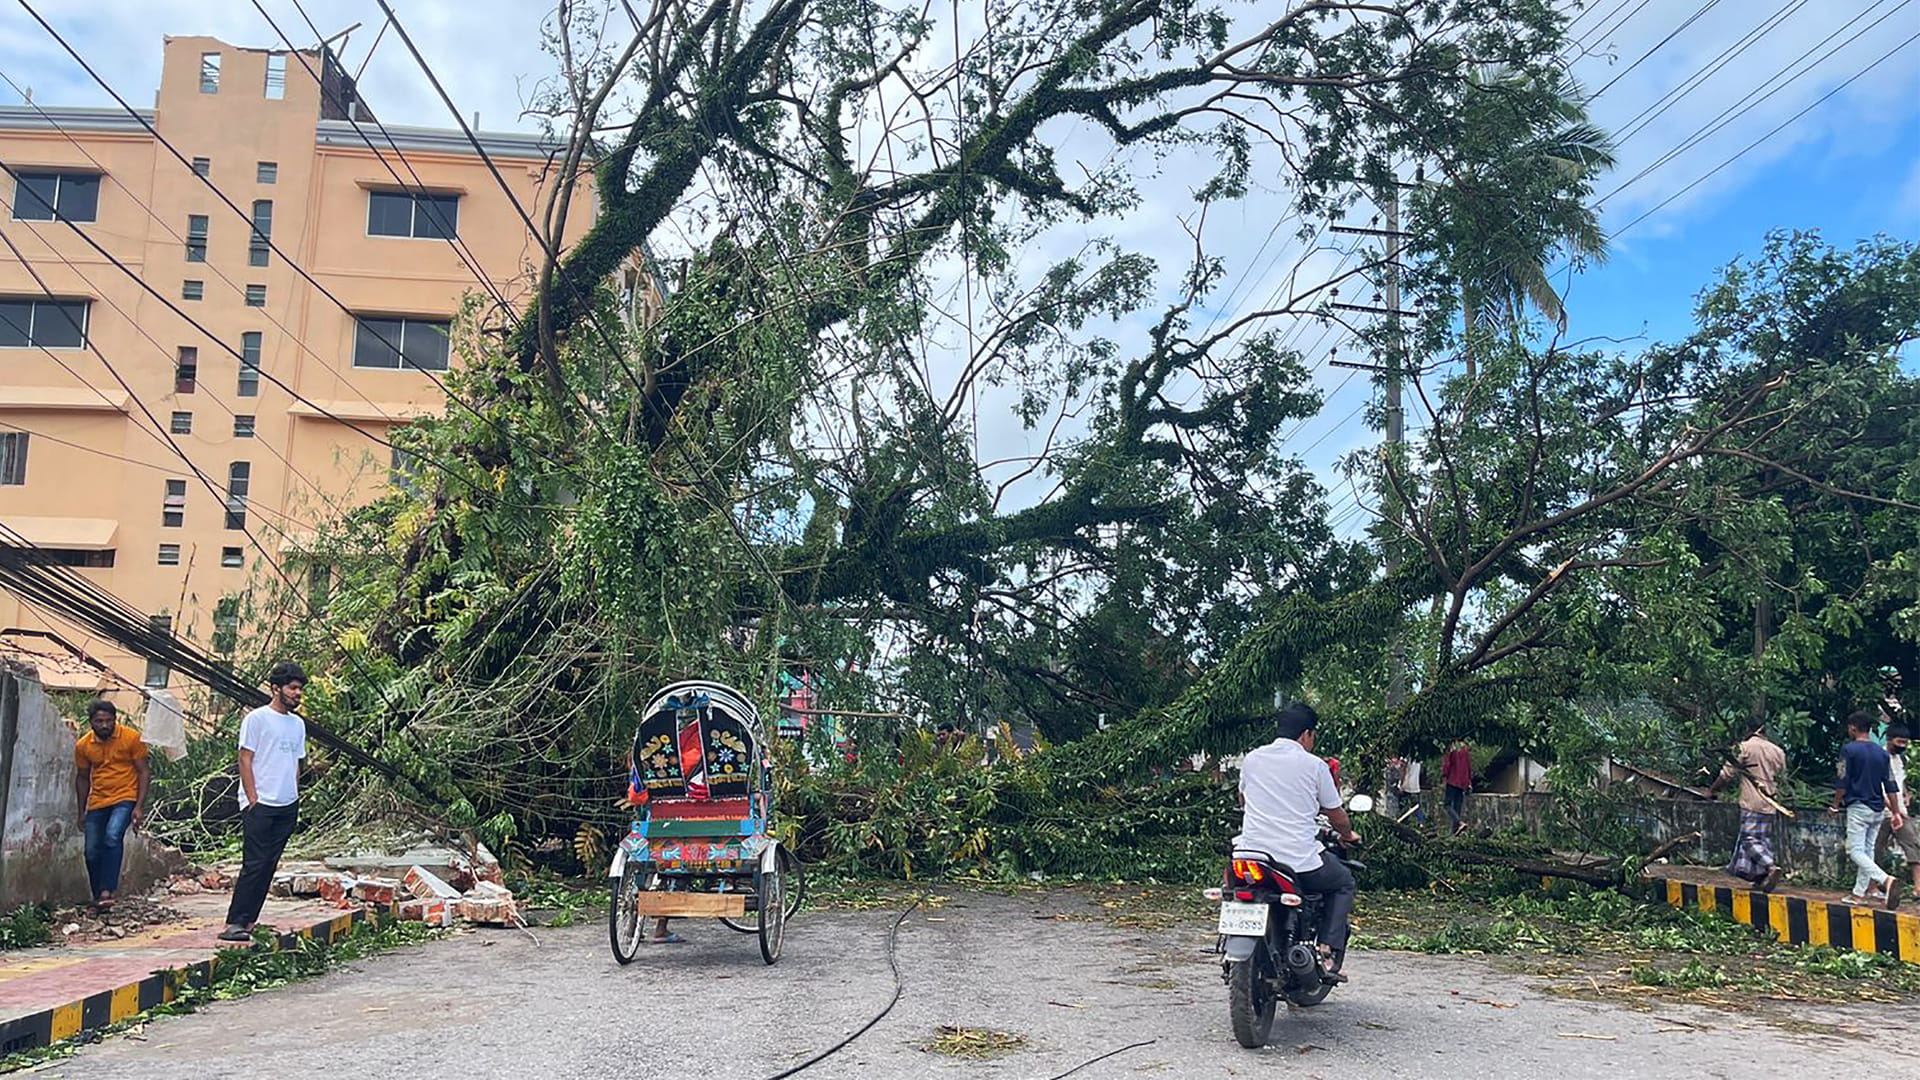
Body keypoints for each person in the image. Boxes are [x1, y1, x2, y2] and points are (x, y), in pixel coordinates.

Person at [1232, 702, 1361, 981]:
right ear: (1306, 735)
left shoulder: (1252, 758)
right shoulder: (1314, 765)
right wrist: (1348, 835)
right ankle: (1327, 949)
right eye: (1313, 736)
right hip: (1297, 861)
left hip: (1248, 856)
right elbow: (1336, 814)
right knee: (1344, 882)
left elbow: (1243, 800)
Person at [219, 662, 309, 942]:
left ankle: (249, 921)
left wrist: (294, 793)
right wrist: (252, 797)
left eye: (300, 689)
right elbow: (245, 758)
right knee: (254, 863)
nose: (297, 694)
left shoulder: (297, 724)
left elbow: (297, 761)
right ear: (276, 689)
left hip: (287, 804)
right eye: (292, 688)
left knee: (270, 863)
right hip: (260, 804)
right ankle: (234, 921)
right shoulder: (256, 719)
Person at [72, 700, 150, 911]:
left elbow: (143, 771)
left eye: (108, 721)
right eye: (99, 721)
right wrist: (81, 812)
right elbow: (82, 778)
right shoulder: (83, 745)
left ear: (115, 720)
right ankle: (99, 896)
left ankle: (108, 890)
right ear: (91, 722)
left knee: (112, 836)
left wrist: (139, 806)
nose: (105, 725)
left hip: (125, 797)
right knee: (91, 851)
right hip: (97, 801)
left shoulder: (131, 738)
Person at [1828, 709, 1903, 909]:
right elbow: (1891, 785)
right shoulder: (1881, 753)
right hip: (1878, 808)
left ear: (1853, 728)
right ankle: (1858, 894)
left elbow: (1842, 780)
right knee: (1867, 851)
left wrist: (1835, 805)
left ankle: (1885, 879)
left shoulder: (1849, 750)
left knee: (1855, 851)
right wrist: (1895, 812)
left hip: (1858, 806)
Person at [1703, 719, 1787, 892]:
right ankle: (1761, 878)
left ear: (1749, 730)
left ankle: (1770, 866)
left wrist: (1711, 790)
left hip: (1752, 801)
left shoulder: (1744, 748)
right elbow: (1782, 778)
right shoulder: (1778, 751)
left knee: (1749, 839)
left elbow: (1726, 775)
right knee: (1763, 841)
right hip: (1771, 802)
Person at [1877, 724, 1919, 901]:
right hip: (1881, 812)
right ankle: (1872, 887)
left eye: (1905, 743)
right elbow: (1878, 787)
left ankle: (1918, 887)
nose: (1902, 746)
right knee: (1875, 849)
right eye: (1899, 742)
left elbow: (1901, 782)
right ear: (1889, 740)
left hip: (1901, 811)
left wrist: (1905, 796)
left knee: (1913, 845)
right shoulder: (1878, 757)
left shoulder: (1902, 760)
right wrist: (1892, 809)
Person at [1442, 739, 1473, 835]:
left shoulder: (1452, 748)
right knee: (1457, 807)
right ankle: (1454, 834)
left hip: (1452, 780)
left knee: (1447, 805)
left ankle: (1459, 822)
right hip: (1462, 782)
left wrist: (1444, 776)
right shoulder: (1465, 749)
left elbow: (1447, 764)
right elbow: (1468, 767)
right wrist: (1468, 782)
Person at [1397, 753, 1427, 824]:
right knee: (1416, 807)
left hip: (1406, 786)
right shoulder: (1418, 757)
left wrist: (1401, 784)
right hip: (1415, 787)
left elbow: (1403, 770)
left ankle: (1403, 824)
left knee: (1404, 809)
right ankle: (1421, 823)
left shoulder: (1405, 756)